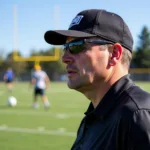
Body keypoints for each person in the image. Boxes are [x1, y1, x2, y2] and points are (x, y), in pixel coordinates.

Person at [44, 9, 150, 149]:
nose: (64, 58)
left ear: (114, 54)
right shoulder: (94, 116)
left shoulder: (138, 116)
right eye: (66, 47)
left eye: (76, 46)